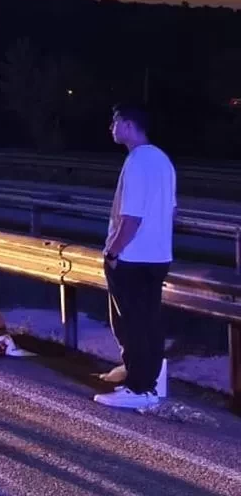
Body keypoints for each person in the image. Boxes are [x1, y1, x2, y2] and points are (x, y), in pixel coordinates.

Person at [95, 103, 176, 410]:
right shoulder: (162, 160)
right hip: (157, 256)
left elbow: (131, 217)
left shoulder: (137, 161)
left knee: (131, 323)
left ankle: (140, 388)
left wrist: (114, 250)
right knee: (147, 321)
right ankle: (146, 377)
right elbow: (171, 210)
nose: (111, 128)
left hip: (132, 257)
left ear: (128, 125)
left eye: (114, 122)